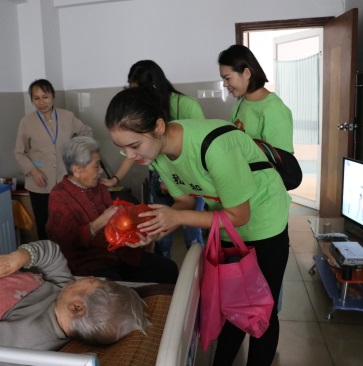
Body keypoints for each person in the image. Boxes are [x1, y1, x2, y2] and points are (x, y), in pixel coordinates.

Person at [104, 86, 291, 366]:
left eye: (134, 146)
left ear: (158, 126)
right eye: (122, 149)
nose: (129, 156)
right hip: (227, 224)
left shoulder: (213, 146)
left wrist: (177, 218)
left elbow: (240, 215)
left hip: (264, 220)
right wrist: (154, 227)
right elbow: (185, 203)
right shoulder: (158, 155)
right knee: (234, 305)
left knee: (262, 310)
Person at [0, 240, 150, 365]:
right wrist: (17, 258)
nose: (83, 277)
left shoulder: (26, 338)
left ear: (77, 307)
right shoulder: (62, 293)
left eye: (90, 281)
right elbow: (52, 253)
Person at [101, 60, 205, 259]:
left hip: (191, 178)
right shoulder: (147, 152)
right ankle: (164, 268)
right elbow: (134, 152)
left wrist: (174, 181)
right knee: (158, 227)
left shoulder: (185, 106)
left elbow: (196, 154)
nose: (136, 97)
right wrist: (115, 179)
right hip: (163, 179)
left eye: (139, 89)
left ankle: (200, 272)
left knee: (192, 230)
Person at [219, 44, 294, 313]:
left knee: (266, 298)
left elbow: (279, 166)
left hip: (266, 210)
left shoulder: (273, 110)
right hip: (245, 206)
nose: (225, 84)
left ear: (246, 72)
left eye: (228, 78)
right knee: (245, 294)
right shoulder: (240, 104)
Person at [45, 136, 179, 284]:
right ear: (77, 170)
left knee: (168, 269)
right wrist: (103, 219)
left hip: (120, 255)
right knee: (113, 288)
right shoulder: (59, 195)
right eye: (96, 166)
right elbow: (67, 241)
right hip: (90, 263)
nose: (101, 171)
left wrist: (138, 231)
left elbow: (117, 224)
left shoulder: (98, 187)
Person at [15, 79, 93, 240]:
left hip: (66, 181)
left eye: (45, 97)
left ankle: (70, 259)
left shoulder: (67, 116)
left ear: (53, 96)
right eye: (36, 98)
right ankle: (49, 262)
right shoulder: (26, 122)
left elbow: (86, 132)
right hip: (40, 183)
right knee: (45, 224)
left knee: (69, 222)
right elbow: (19, 152)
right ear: (31, 99)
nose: (41, 102)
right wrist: (33, 171)